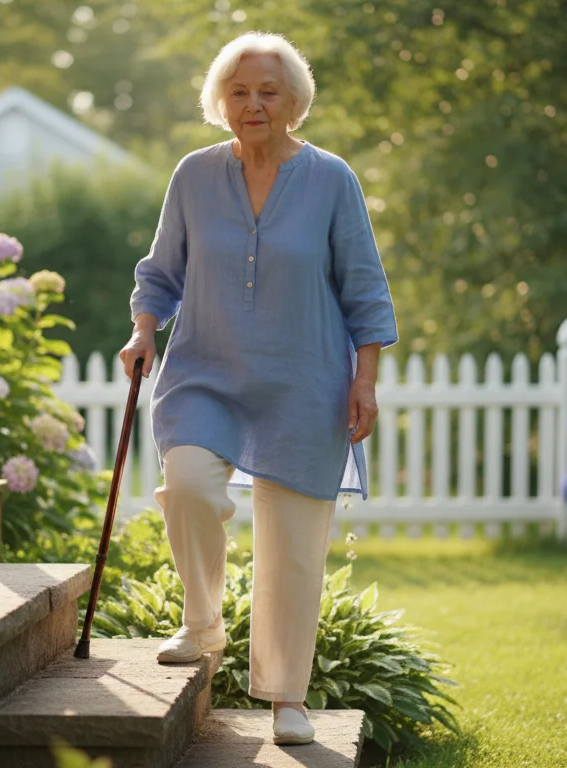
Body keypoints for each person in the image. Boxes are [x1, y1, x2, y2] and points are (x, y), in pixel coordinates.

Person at [119, 30, 397, 746]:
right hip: (204, 372)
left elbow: (364, 287)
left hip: (305, 381)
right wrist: (145, 329)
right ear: (221, 100)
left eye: (268, 91)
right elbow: (161, 271)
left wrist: (364, 379)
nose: (253, 104)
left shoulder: (332, 179)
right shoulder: (193, 175)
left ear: (294, 102)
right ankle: (202, 621)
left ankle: (287, 699)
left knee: (293, 547)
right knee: (189, 487)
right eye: (239, 91)